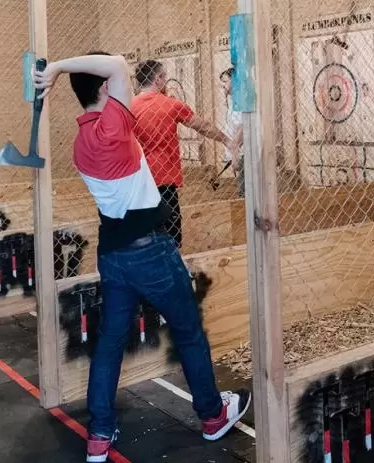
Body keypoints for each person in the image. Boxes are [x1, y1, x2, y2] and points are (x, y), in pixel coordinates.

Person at [33, 53, 250, 462]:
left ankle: (98, 435)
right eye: (113, 83)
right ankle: (211, 414)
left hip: (112, 253)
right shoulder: (112, 126)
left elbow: (113, 70)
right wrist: (59, 67)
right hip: (148, 249)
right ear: (103, 90)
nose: (123, 83)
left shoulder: (82, 141)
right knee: (187, 329)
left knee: (111, 341)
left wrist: (69, 75)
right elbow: (116, 64)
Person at [131, 59, 233, 247]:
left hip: (138, 179)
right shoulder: (170, 104)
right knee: (171, 235)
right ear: (158, 78)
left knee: (144, 235)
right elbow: (202, 126)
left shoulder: (129, 106)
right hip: (164, 180)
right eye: (164, 76)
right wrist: (227, 140)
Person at [218, 67, 245, 196]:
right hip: (242, 153)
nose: (222, 85)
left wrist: (234, 153)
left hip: (243, 154)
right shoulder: (235, 100)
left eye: (225, 81)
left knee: (244, 194)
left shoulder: (239, 101)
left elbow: (242, 128)